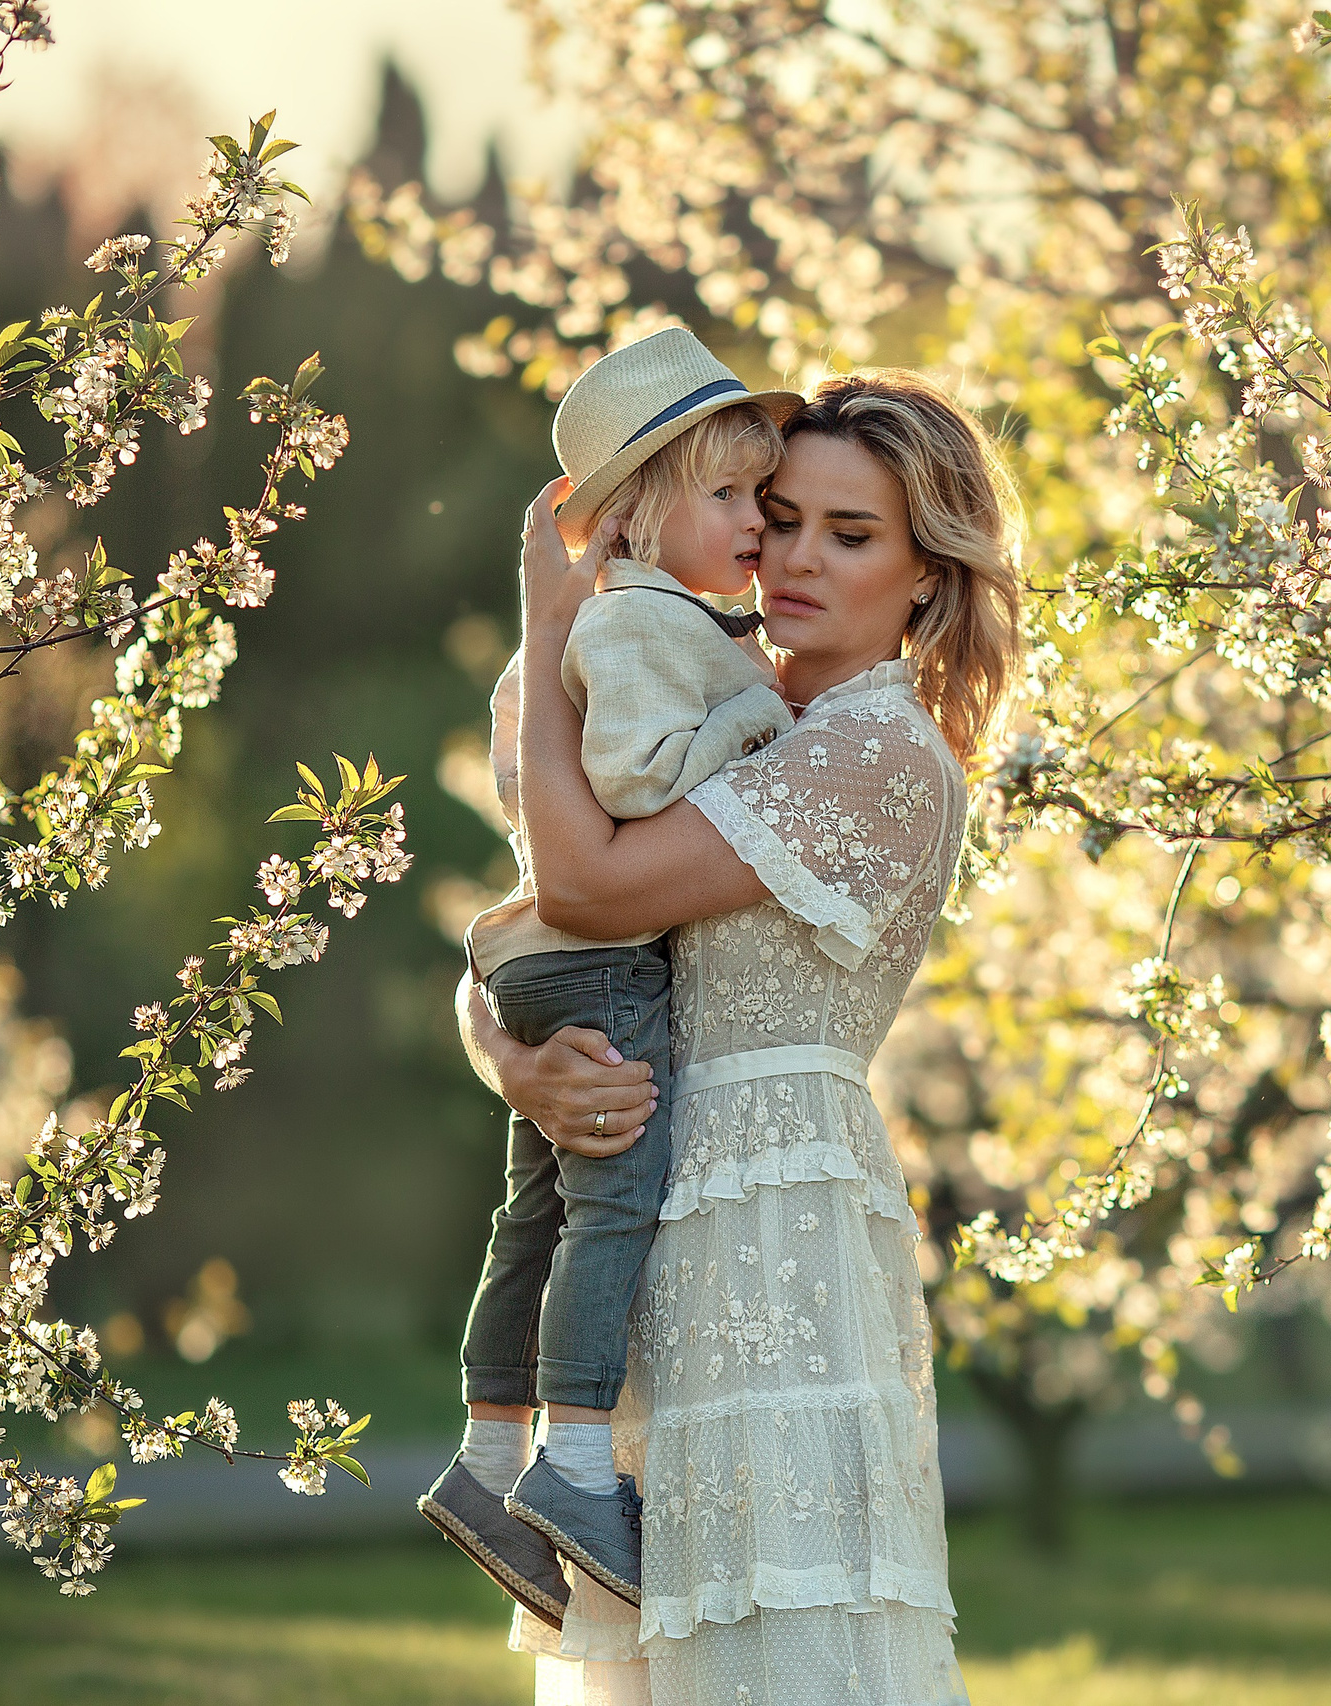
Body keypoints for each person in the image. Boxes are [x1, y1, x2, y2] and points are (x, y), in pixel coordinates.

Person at [459, 371, 1021, 1703]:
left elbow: (589, 886)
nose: (794, 555)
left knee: (772, 1625)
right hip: (642, 1209)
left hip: (777, 1236)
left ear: (928, 575)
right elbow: (533, 927)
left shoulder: (880, 754)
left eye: (852, 531)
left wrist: (551, 630)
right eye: (778, 513)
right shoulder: (703, 696)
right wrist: (513, 1063)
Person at [419, 328, 800, 1626]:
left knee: (535, 1213)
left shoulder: (596, 628)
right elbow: (638, 783)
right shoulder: (641, 622)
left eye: (761, 495)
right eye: (729, 495)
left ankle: (484, 1462)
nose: (757, 523)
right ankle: (577, 1467)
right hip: (600, 964)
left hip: (534, 958)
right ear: (637, 513)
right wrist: (755, 718)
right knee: (617, 1200)